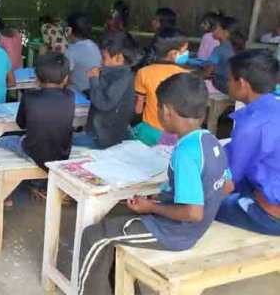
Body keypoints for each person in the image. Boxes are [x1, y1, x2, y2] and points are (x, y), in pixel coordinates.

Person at [78, 73, 232, 295]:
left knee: (94, 237)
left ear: (167, 110)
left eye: (157, 107)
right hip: (192, 228)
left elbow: (192, 212)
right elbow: (227, 186)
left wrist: (152, 207)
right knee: (115, 224)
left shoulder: (185, 152)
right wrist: (166, 198)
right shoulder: (209, 140)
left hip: (174, 233)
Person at [216, 50, 280, 235]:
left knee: (194, 205)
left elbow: (229, 182)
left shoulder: (251, 125)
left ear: (242, 83)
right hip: (269, 187)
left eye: (229, 79)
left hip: (270, 215)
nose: (227, 83)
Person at [0, 52, 74, 172]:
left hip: (33, 153)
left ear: (36, 77)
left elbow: (21, 124)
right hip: (61, 154)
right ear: (66, 78)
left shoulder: (29, 96)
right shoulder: (70, 96)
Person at [73, 32, 137, 149]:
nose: (101, 61)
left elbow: (104, 103)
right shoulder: (113, 72)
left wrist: (94, 79)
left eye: (104, 57)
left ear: (119, 58)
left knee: (69, 145)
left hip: (105, 136)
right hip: (98, 129)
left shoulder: (123, 78)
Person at [133, 28, 189, 146]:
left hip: (148, 131)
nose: (187, 53)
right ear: (173, 53)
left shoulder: (143, 72)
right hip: (172, 132)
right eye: (184, 50)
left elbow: (138, 108)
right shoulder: (185, 75)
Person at [204, 16, 246, 94]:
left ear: (226, 33)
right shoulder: (239, 48)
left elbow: (207, 73)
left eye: (216, 28)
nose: (212, 31)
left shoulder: (219, 50)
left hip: (222, 86)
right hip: (235, 86)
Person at [64, 12, 101, 93]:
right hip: (93, 94)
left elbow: (65, 79)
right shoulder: (94, 46)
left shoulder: (72, 50)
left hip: (77, 95)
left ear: (69, 30)